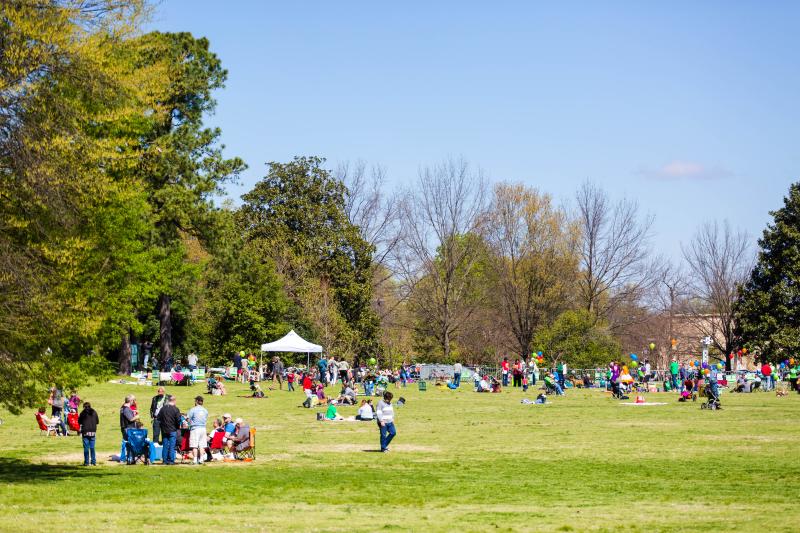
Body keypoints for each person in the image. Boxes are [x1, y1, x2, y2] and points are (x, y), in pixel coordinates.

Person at [157, 395, 181, 465]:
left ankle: (164, 460)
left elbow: (158, 418)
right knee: (172, 446)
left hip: (164, 430)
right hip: (172, 430)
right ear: (174, 401)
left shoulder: (163, 408)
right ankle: (171, 460)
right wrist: (177, 427)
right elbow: (178, 420)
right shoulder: (176, 409)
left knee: (165, 445)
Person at [186, 395, 208, 465]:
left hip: (195, 428)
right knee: (202, 445)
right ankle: (201, 459)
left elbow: (188, 419)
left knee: (194, 445)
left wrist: (189, 423)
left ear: (197, 401)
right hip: (203, 428)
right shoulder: (205, 410)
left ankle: (195, 460)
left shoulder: (193, 409)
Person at [78, 402, 99, 466]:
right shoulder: (94, 412)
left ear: (84, 407)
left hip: (85, 432)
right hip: (93, 432)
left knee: (86, 448)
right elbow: (97, 422)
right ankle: (93, 462)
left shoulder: (83, 413)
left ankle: (86, 462)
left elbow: (79, 422)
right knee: (92, 447)